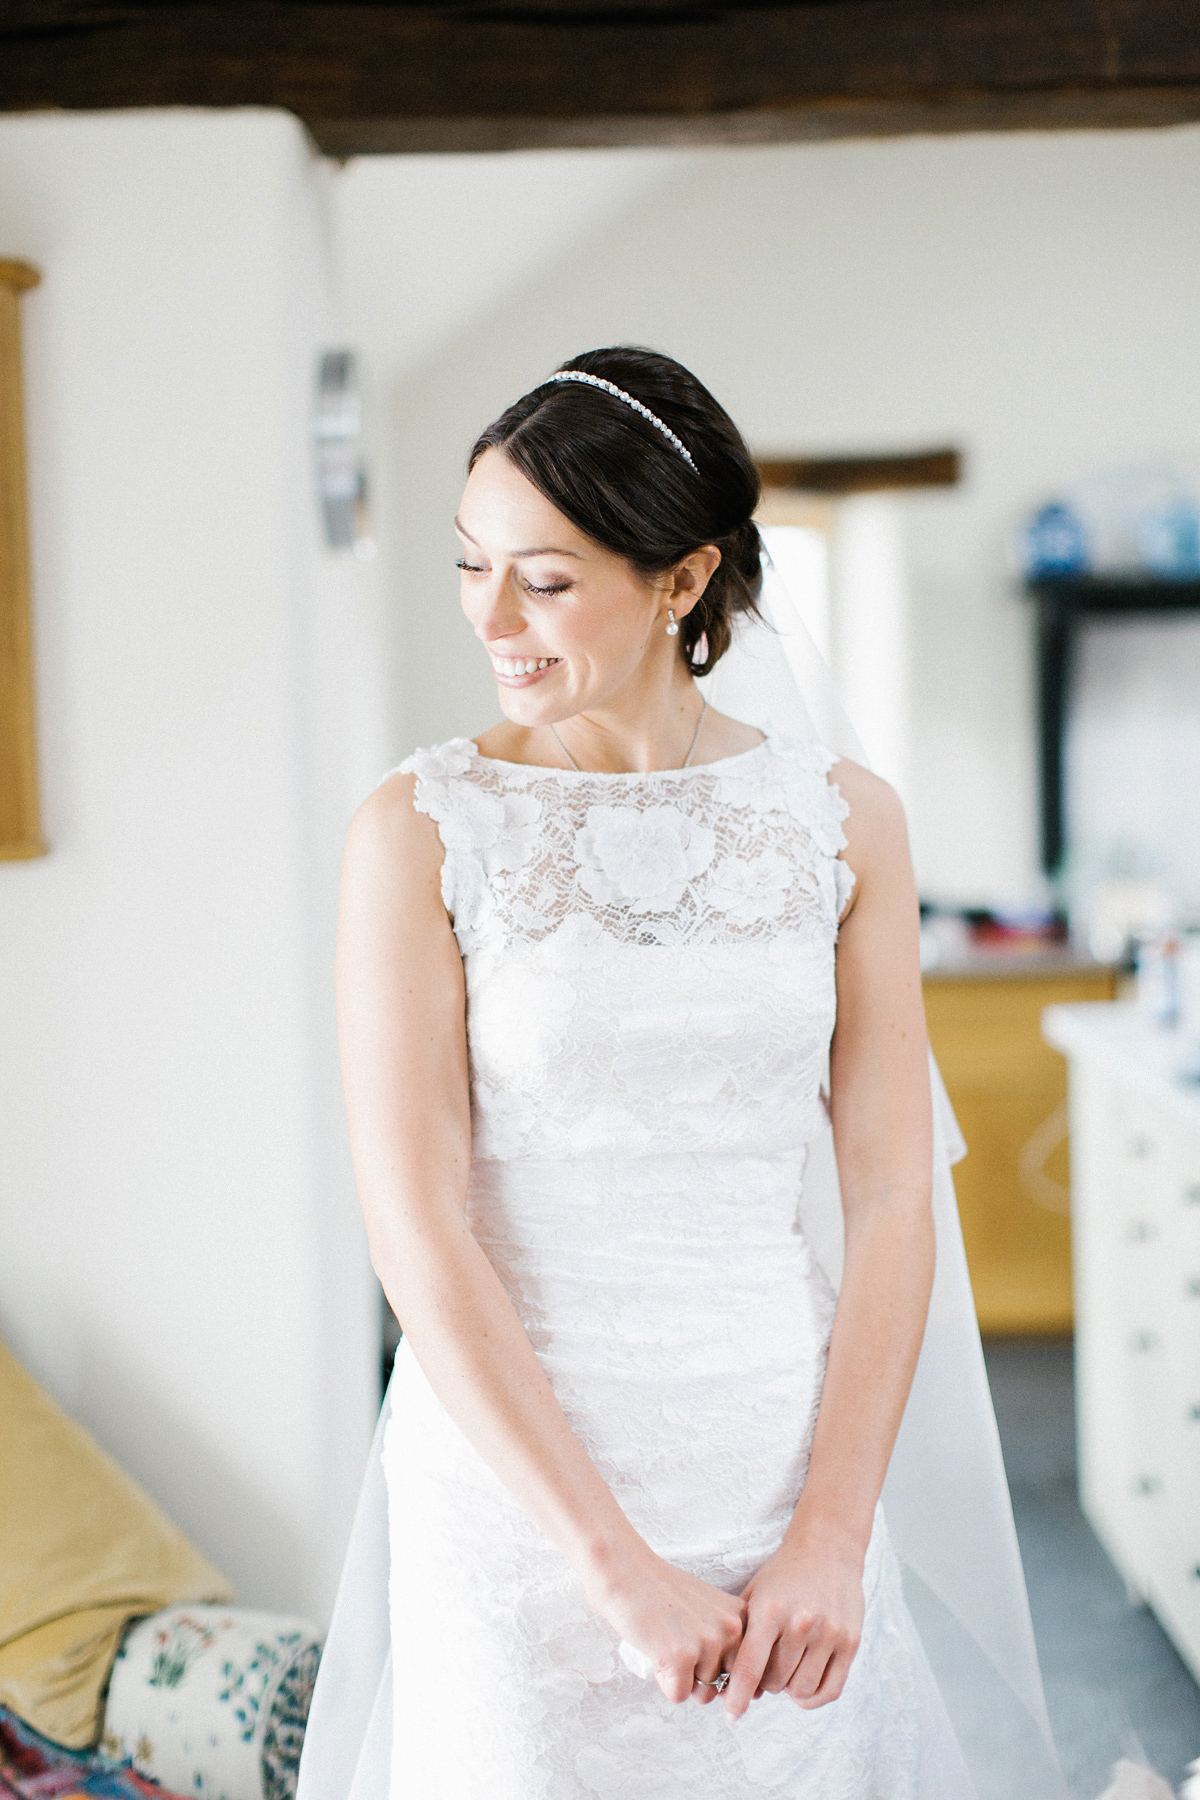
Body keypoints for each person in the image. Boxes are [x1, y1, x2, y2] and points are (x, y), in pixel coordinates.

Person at [298, 347, 1064, 1800]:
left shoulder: (844, 821)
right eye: (473, 568)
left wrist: (834, 1530)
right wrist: (610, 1565)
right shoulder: (418, 829)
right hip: (520, 1494)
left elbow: (896, 1190)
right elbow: (419, 1227)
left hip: (778, 1455)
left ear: (682, 576)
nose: (495, 619)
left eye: (546, 577)